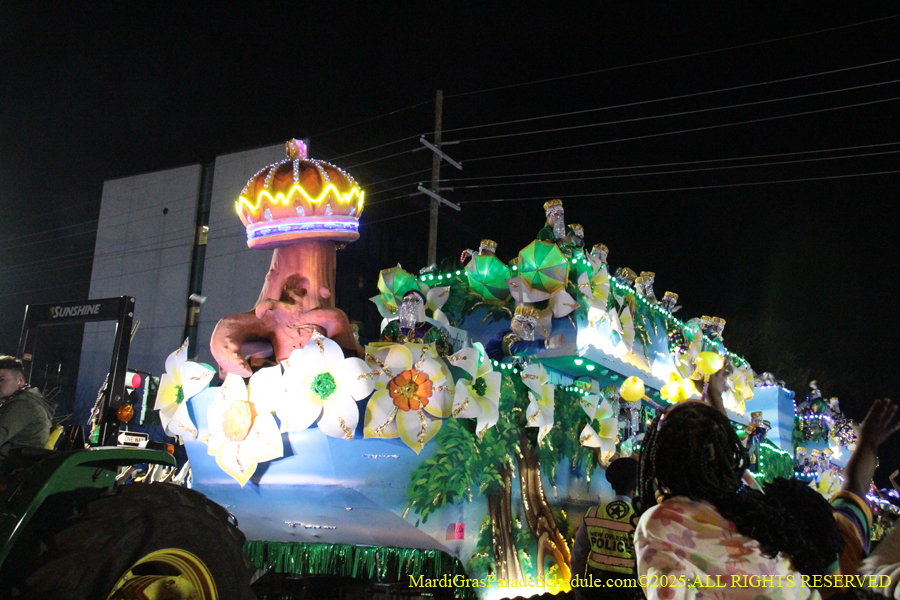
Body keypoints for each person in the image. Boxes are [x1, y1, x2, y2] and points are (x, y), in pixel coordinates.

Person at [634, 397, 899, 600]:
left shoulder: (661, 523)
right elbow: (853, 492)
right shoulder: (767, 514)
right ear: (728, 455)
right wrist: (868, 444)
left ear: (660, 461)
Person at [571, 457, 641, 599]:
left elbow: (578, 555)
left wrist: (578, 587)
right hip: (629, 590)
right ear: (636, 485)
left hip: (595, 588)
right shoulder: (641, 518)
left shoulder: (593, 514)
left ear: (613, 486)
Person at [0, 355, 56, 453]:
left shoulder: (23, 405)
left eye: (2, 379)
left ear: (20, 380)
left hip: (11, 464)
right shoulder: (27, 400)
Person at [380, 289, 450, 355]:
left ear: (421, 306)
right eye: (406, 300)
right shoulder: (393, 326)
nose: (410, 304)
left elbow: (442, 354)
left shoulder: (432, 330)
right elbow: (382, 349)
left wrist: (423, 349)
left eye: (415, 300)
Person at [485, 305, 564, 361]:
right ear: (518, 325)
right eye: (529, 327)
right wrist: (546, 344)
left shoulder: (513, 339)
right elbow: (517, 348)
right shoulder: (509, 337)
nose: (530, 332)